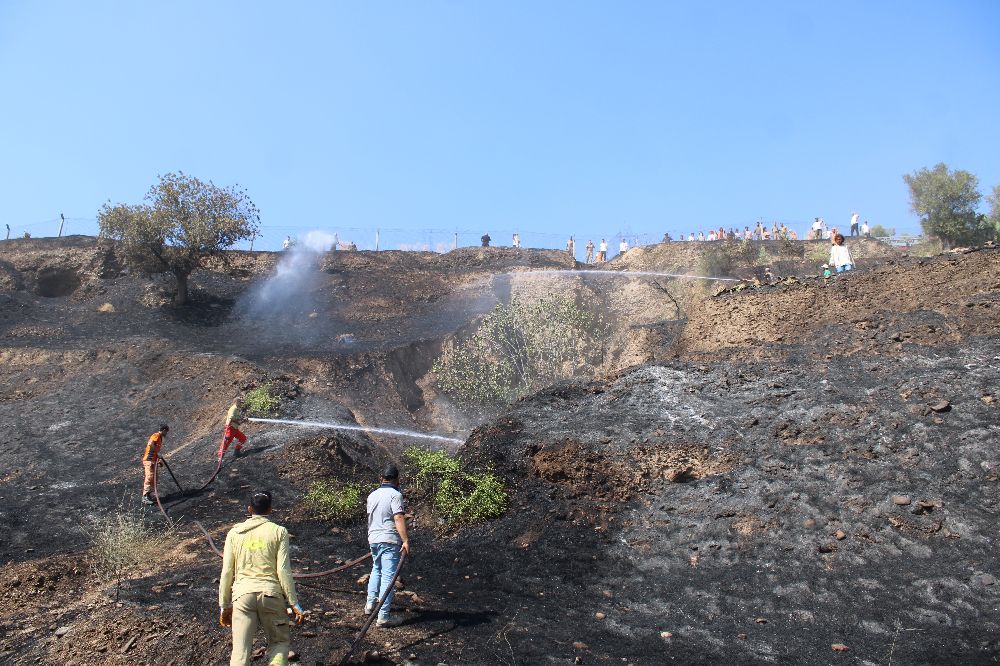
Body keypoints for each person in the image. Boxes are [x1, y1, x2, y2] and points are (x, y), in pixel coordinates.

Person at [219, 490, 303, 666]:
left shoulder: (234, 533)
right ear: (270, 509)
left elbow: (227, 571)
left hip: (242, 596)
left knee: (240, 652)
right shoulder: (279, 532)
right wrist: (293, 602)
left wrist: (224, 606)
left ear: (249, 509)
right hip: (270, 594)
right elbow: (283, 570)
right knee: (279, 643)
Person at [365, 464, 410, 628]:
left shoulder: (372, 495)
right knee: (388, 577)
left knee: (376, 569)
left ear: (381, 478)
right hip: (389, 539)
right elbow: (398, 517)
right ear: (397, 479)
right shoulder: (395, 495)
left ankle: (370, 606)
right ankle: (383, 616)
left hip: (373, 538)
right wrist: (405, 539)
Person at [141, 424, 169, 505]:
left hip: (153, 461)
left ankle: (150, 495)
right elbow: (151, 444)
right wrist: (157, 453)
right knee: (149, 477)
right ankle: (145, 496)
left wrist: (158, 460)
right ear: (163, 430)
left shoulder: (159, 438)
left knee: (154, 478)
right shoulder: (156, 435)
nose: (166, 433)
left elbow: (154, 450)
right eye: (166, 431)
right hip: (149, 460)